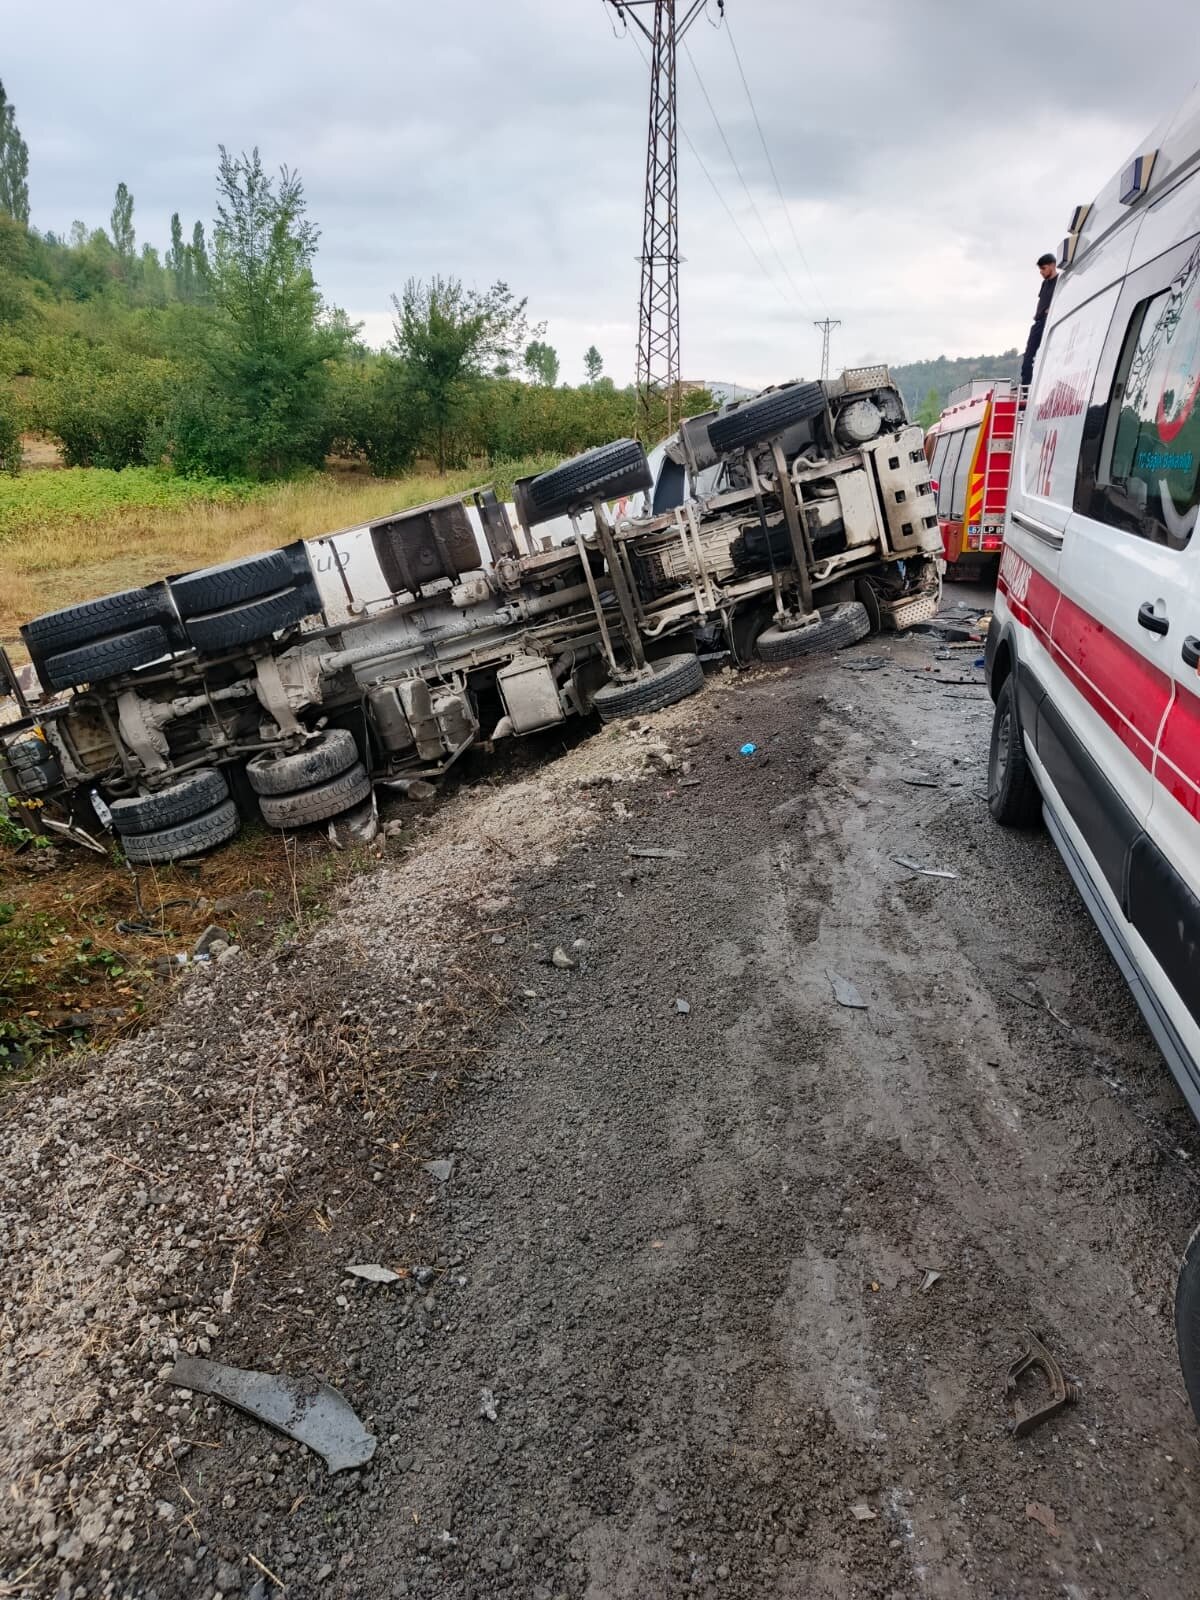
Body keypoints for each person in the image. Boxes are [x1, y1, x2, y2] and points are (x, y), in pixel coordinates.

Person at [1020, 253, 1059, 387]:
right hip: (1038, 322)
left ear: (1053, 265)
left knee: (1047, 357)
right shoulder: (1044, 283)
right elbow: (1042, 300)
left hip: (1049, 322)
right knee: (1028, 357)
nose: (1041, 272)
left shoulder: (1060, 281)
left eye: (1043, 268)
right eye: (1040, 270)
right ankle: (1026, 388)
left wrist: (1051, 309)